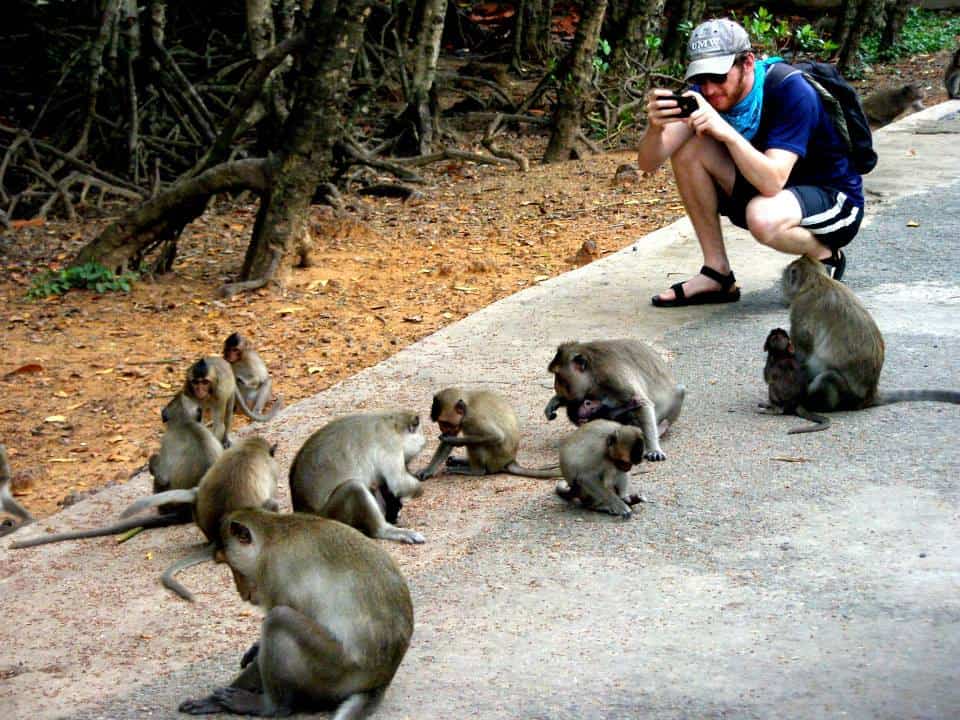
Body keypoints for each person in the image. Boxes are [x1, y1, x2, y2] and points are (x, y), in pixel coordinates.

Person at [636, 18, 864, 307]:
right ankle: (717, 274)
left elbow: (773, 181)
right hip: (774, 195)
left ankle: (824, 254)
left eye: (719, 77)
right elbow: (647, 162)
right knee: (689, 149)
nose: (710, 89)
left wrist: (725, 132)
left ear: (747, 63)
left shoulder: (790, 90)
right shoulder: (704, 94)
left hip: (833, 200)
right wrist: (655, 128)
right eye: (702, 77)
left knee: (762, 216)